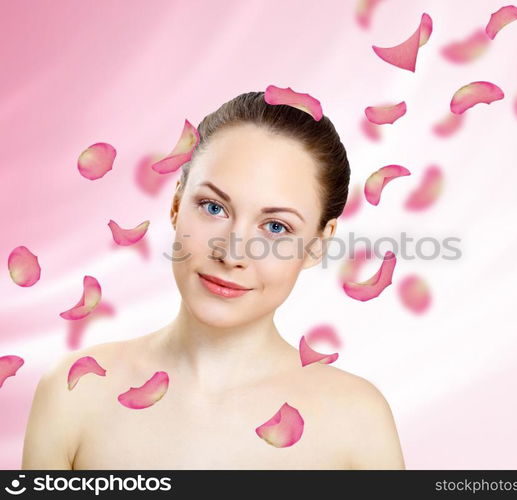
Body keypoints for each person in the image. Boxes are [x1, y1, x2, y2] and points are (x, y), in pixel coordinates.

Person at [21, 91, 405, 470]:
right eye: (213, 207)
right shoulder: (75, 395)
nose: (233, 253)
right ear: (176, 205)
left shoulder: (358, 423)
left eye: (276, 226)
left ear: (318, 245)